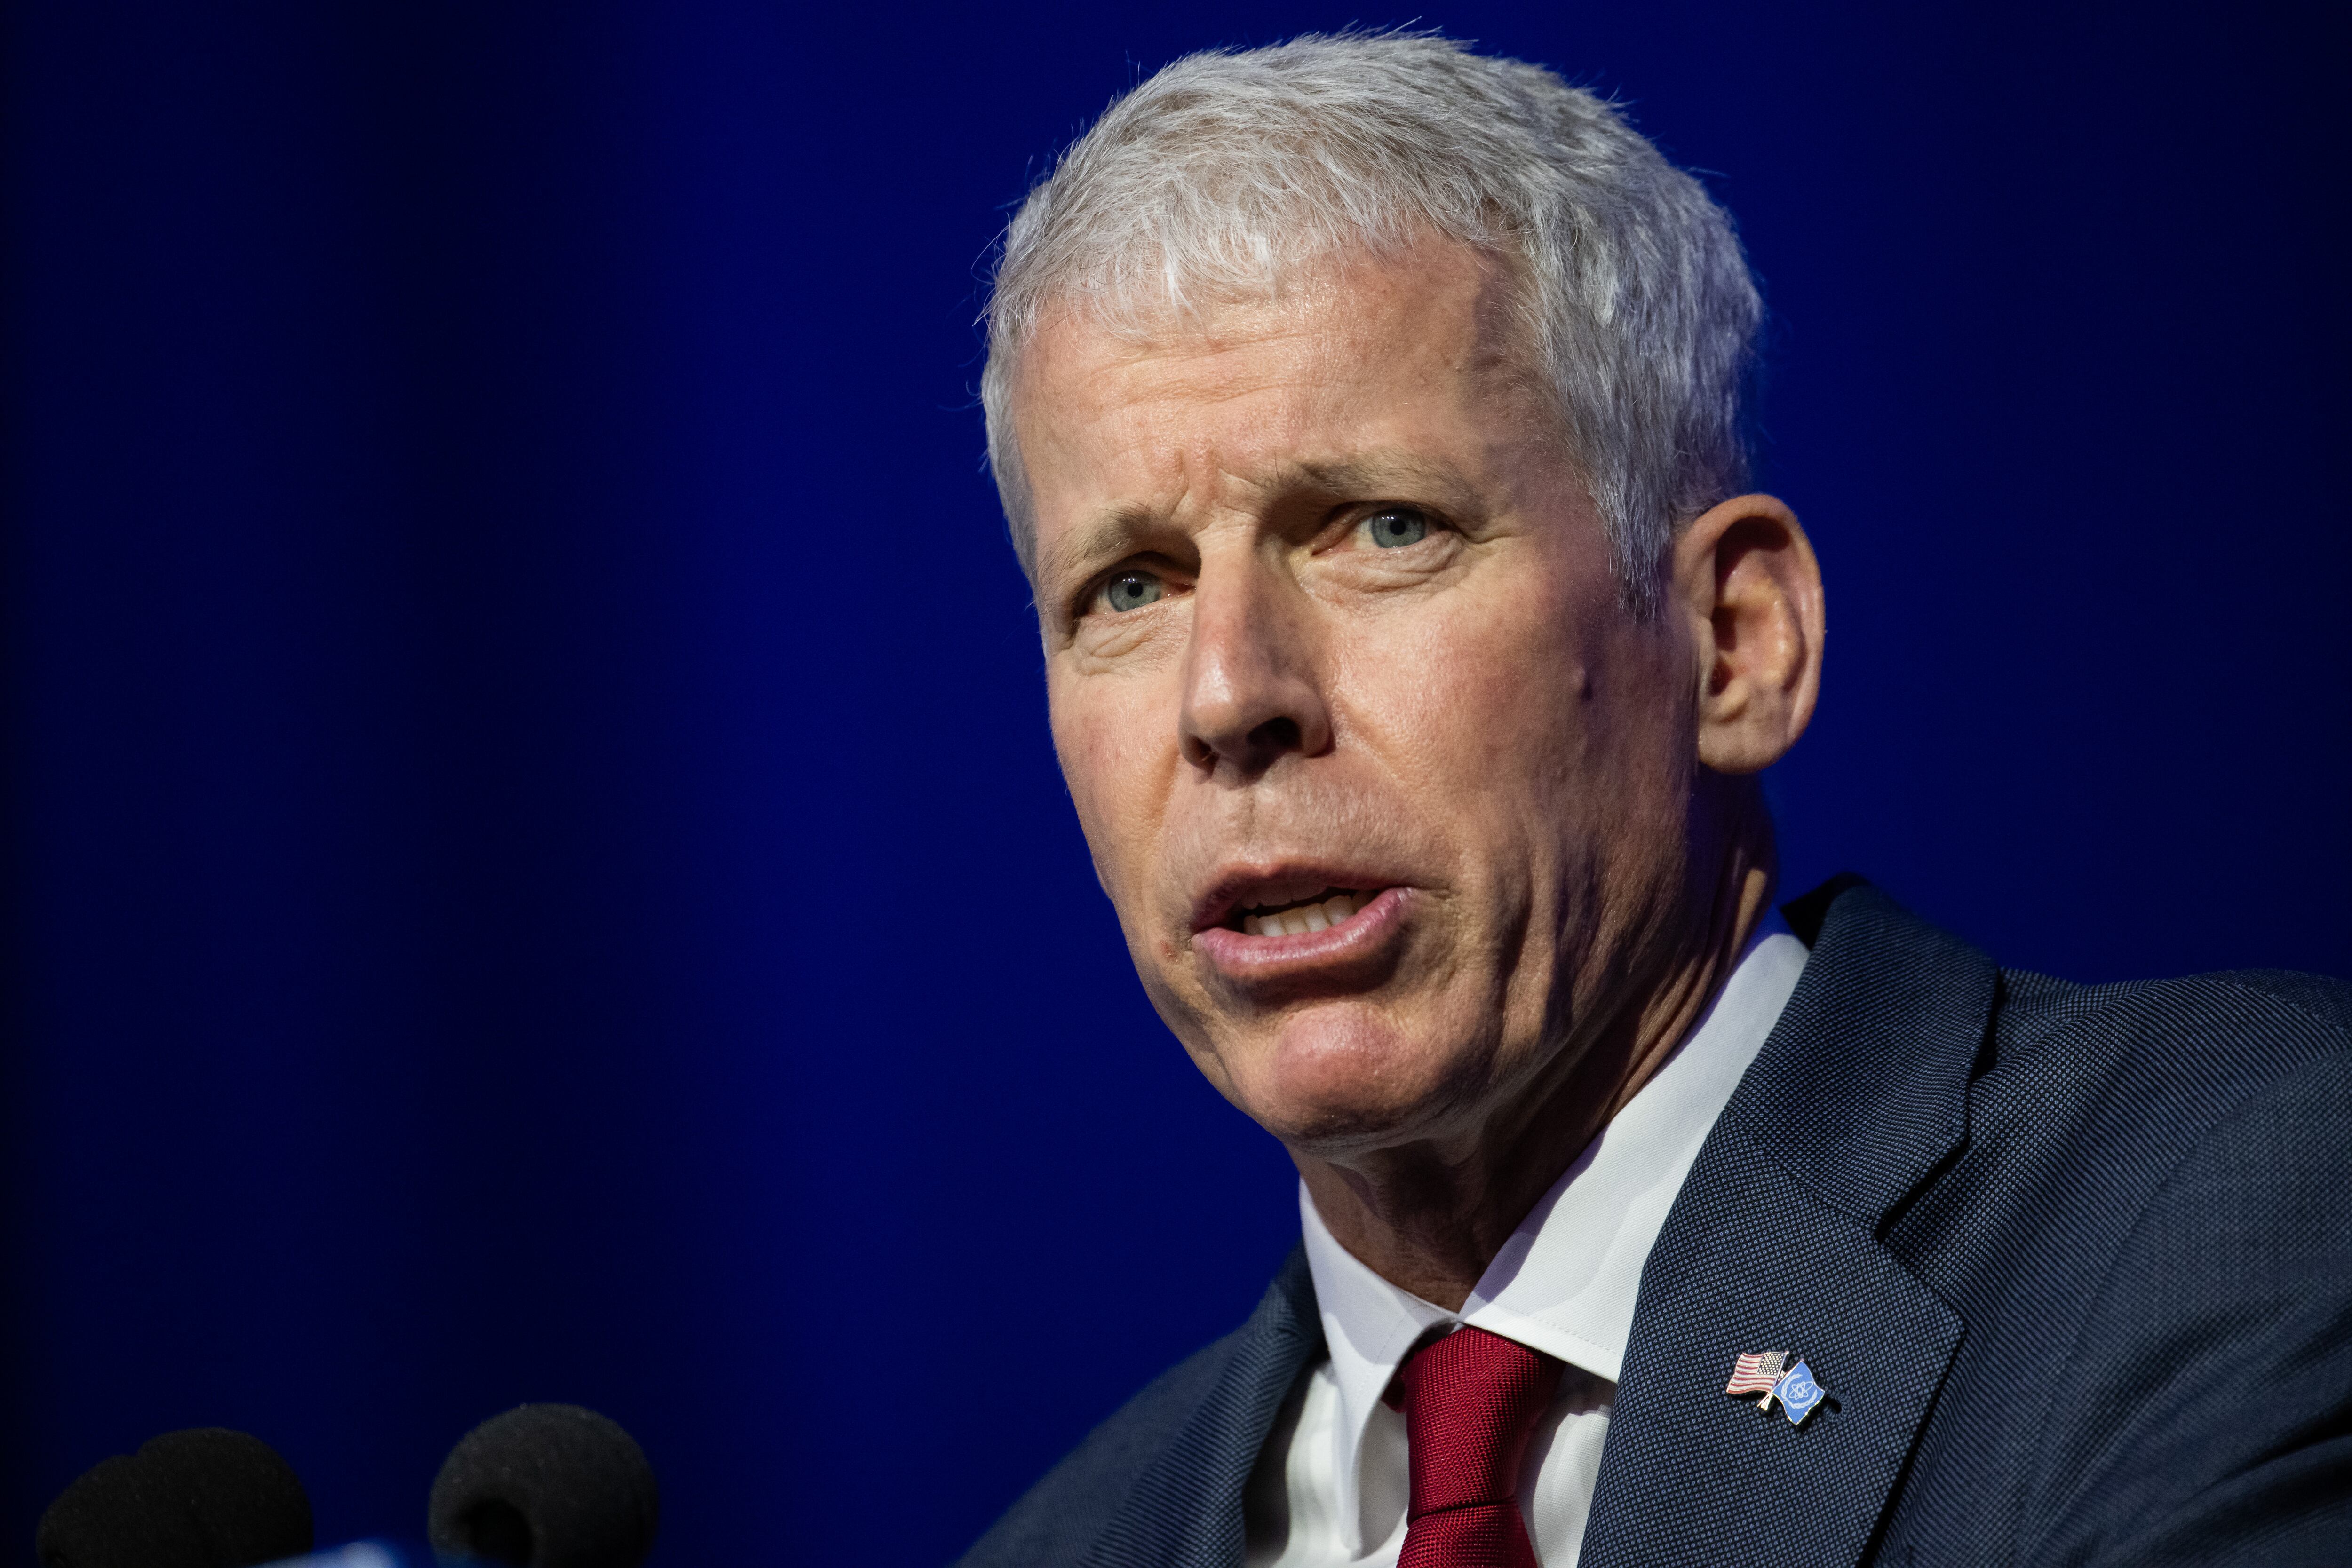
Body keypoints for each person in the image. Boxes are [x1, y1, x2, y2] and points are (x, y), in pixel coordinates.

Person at [954, 31, 2352, 1568]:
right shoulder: (1061, 1544)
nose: (1227, 697)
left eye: (1382, 525)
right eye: (1130, 585)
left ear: (1732, 644)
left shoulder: (2242, 1211)